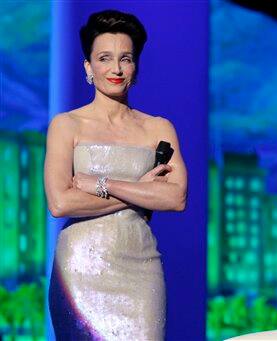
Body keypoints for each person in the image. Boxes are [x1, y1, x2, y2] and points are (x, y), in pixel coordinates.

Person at [45, 10, 187, 340]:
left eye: (126, 58)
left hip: (141, 269)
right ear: (88, 67)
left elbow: (176, 197)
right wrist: (140, 190)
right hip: (80, 270)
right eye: (105, 58)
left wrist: (101, 185)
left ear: (136, 67)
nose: (116, 69)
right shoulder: (67, 125)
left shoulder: (158, 127)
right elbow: (60, 203)